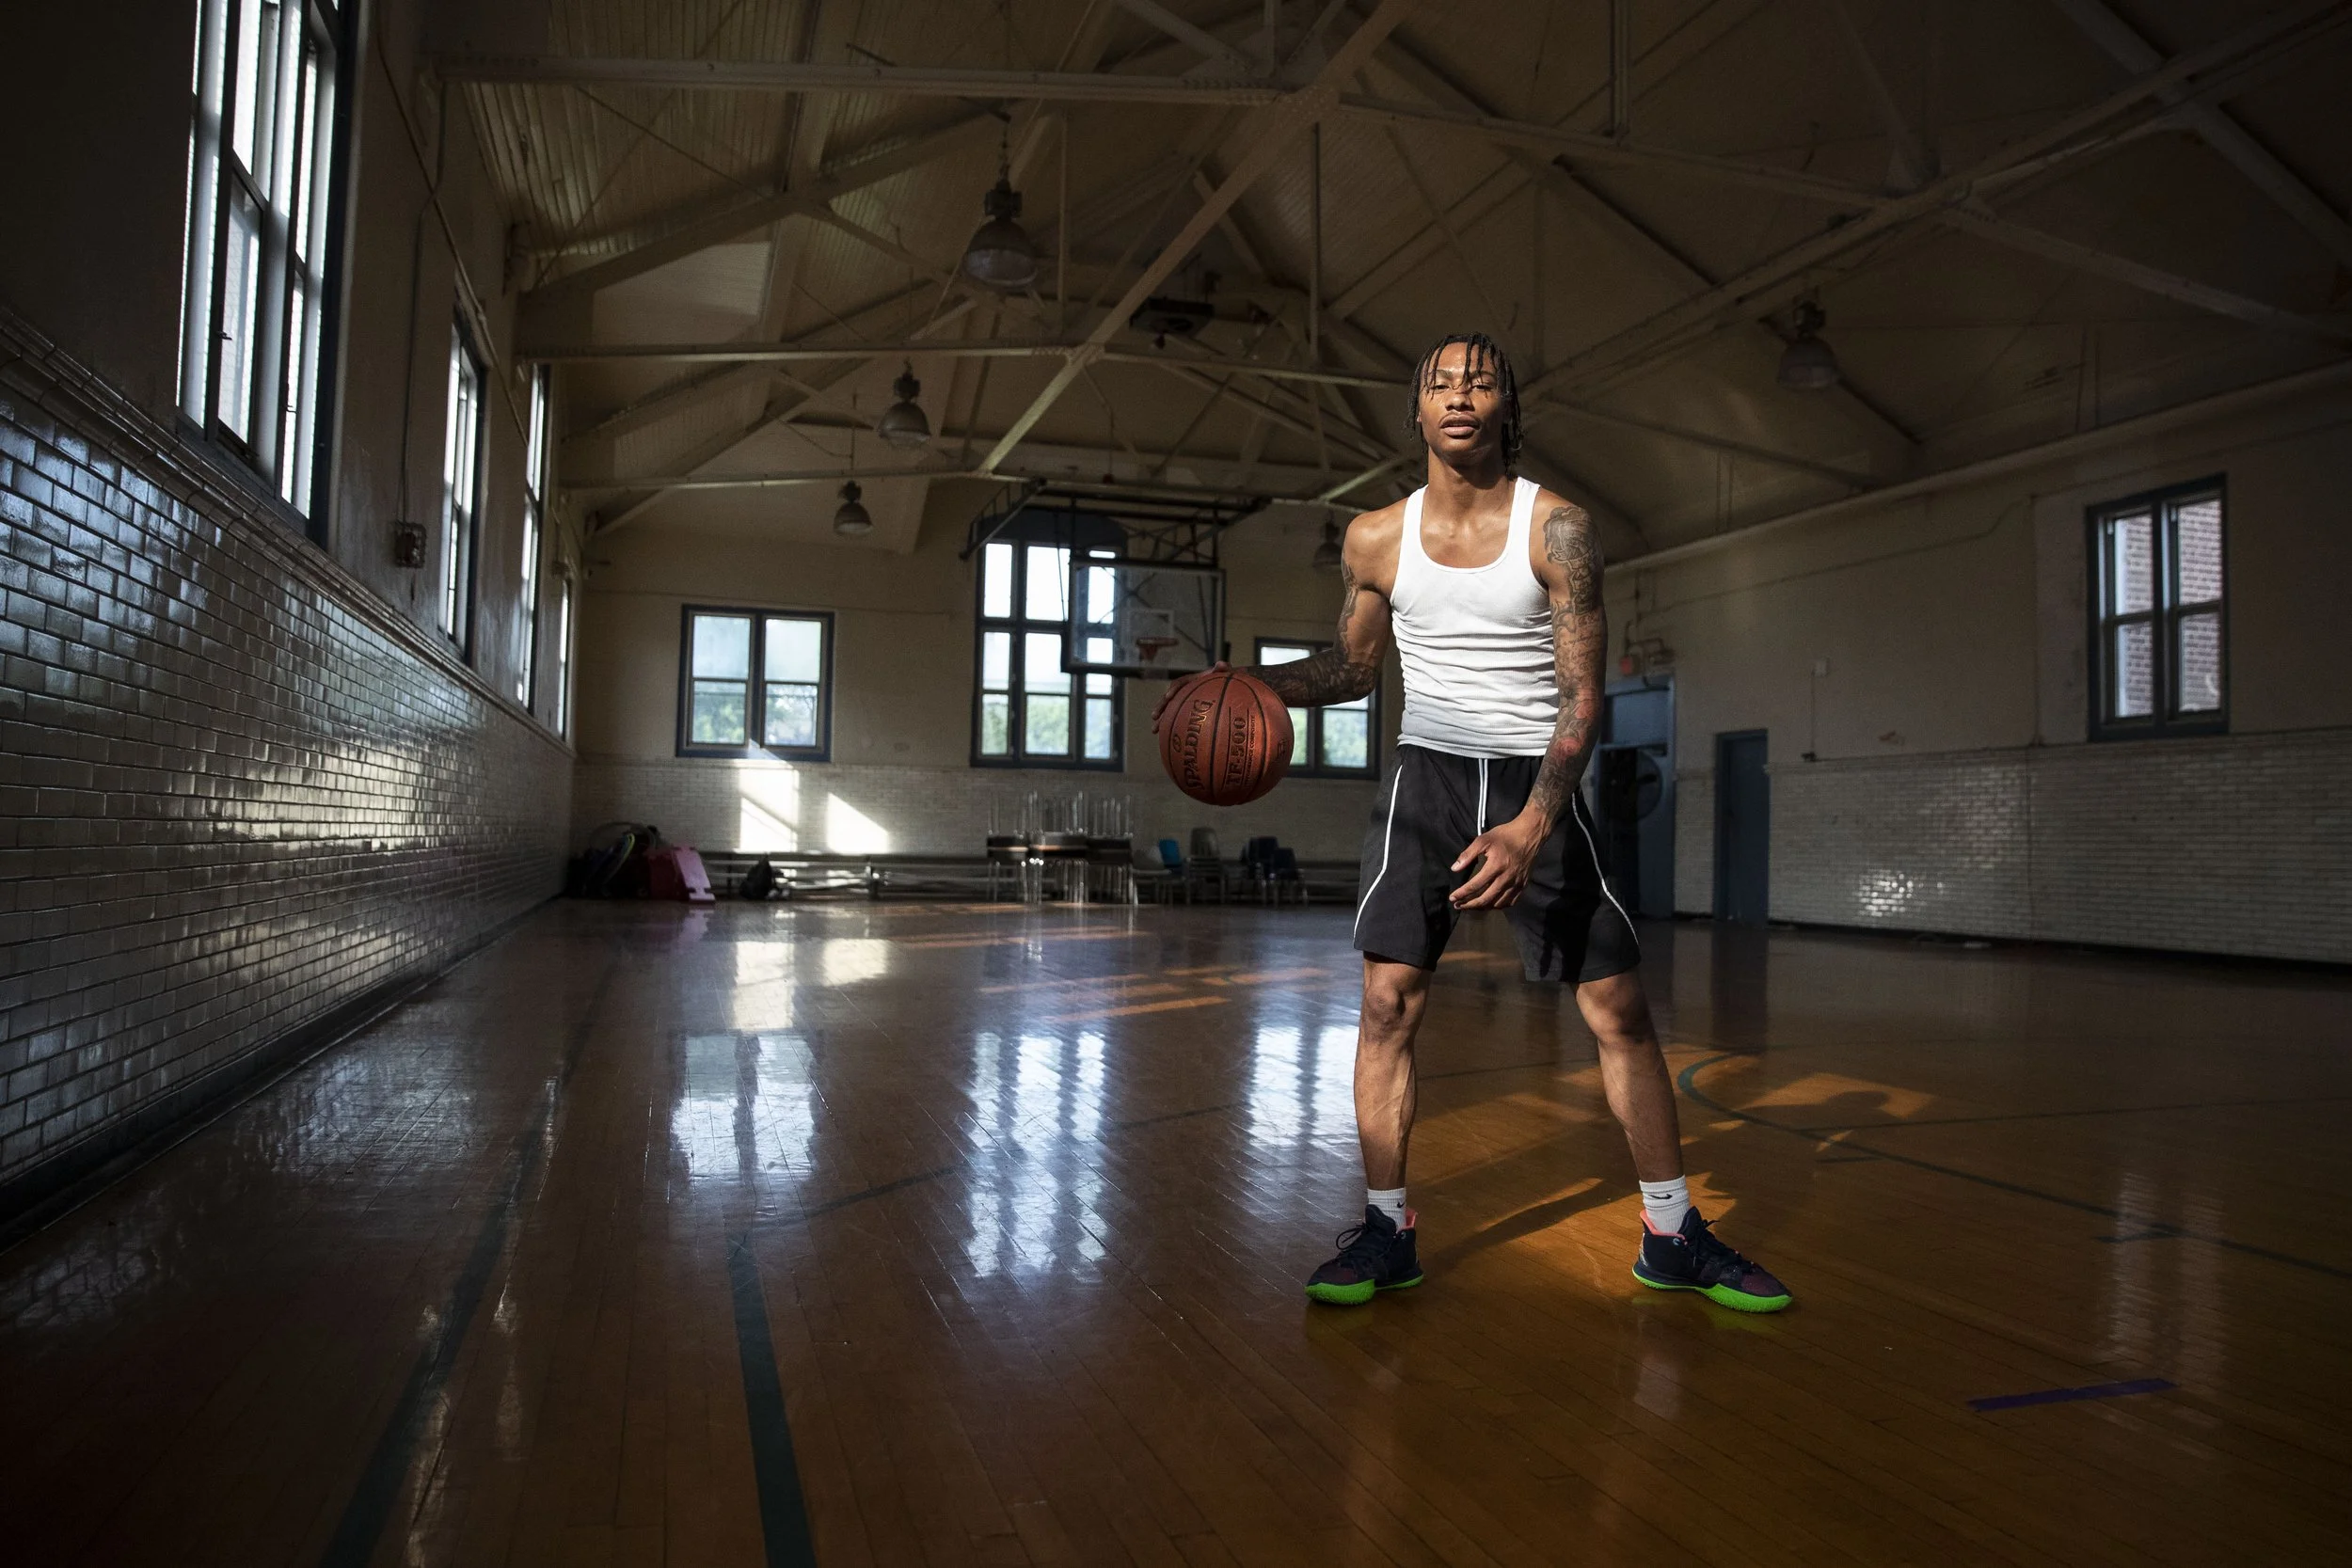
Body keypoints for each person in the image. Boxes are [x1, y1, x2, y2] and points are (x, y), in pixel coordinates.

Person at [1169, 334, 1790, 1313]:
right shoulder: (1375, 535)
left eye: (1481, 380)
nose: (1460, 395)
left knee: (1617, 1011)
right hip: (1425, 779)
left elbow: (1585, 701)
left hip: (1532, 780)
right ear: (1414, 412)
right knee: (1385, 1007)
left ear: (1508, 404)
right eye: (1440, 384)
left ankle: (1672, 1232)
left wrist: (1530, 827)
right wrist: (1246, 684)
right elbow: (1350, 670)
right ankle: (1386, 1230)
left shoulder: (1561, 529)